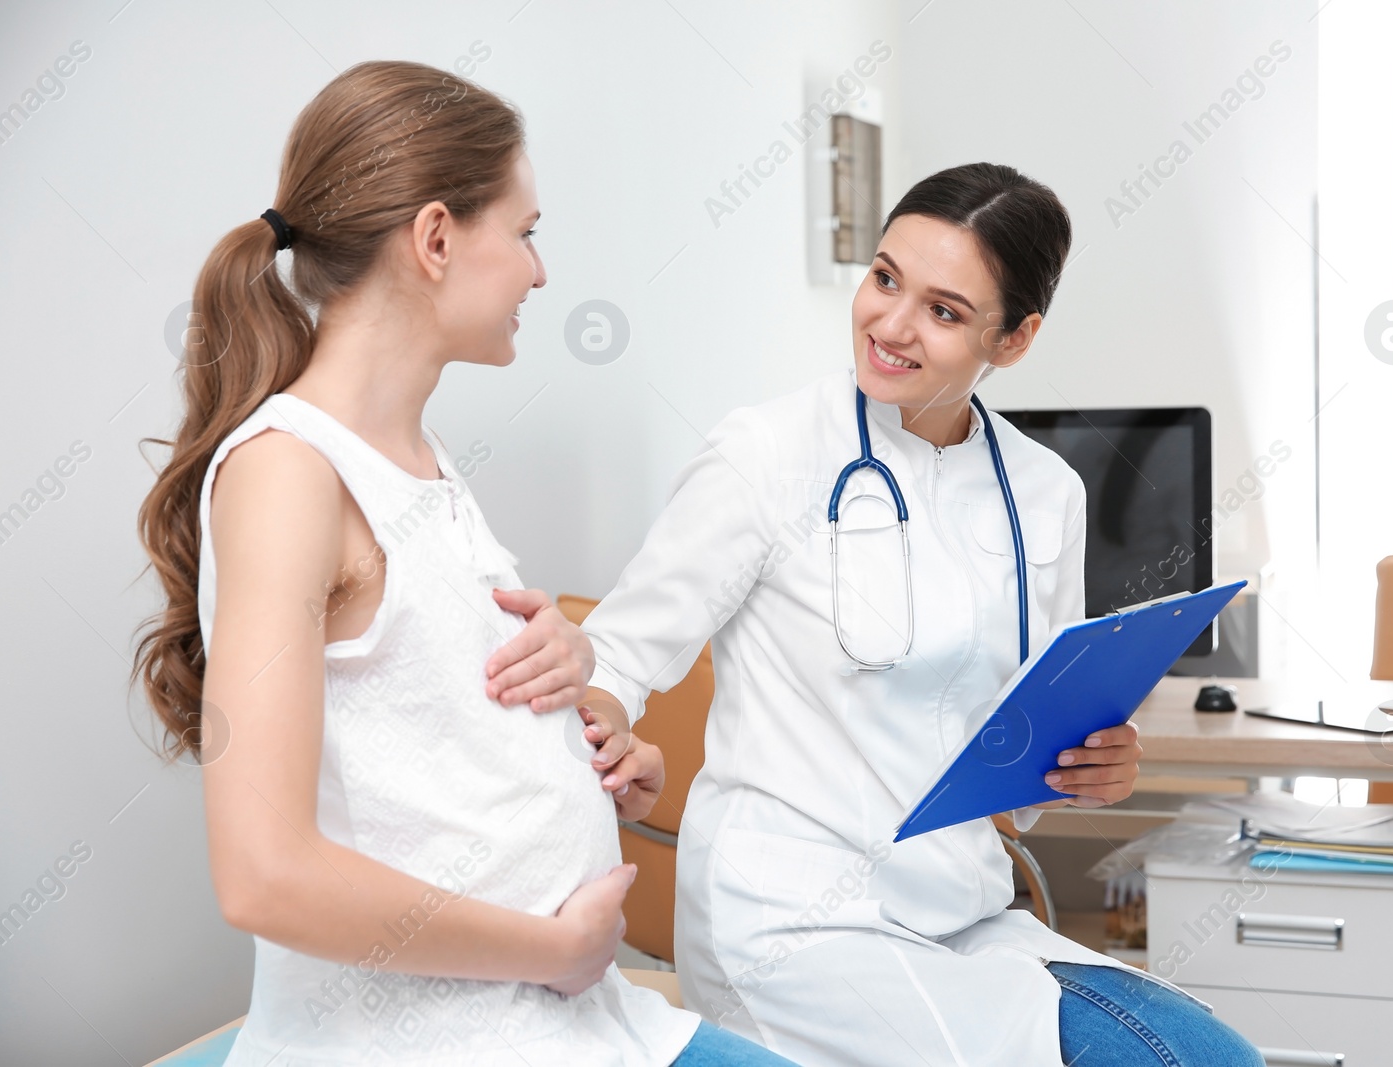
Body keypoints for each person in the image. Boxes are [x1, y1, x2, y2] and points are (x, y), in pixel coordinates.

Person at [486, 163, 1265, 1065]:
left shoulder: (1045, 491)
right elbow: (618, 655)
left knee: (1214, 1056)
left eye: (942, 310)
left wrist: (1090, 765)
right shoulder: (768, 453)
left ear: (1013, 339)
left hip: (966, 913)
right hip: (786, 926)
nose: (889, 324)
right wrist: (609, 719)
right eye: (885, 278)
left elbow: (1024, 754)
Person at [132, 59, 795, 1067]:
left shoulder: (419, 463)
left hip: (568, 1017)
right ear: (436, 238)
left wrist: (588, 747)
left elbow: (417, 726)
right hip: (439, 1033)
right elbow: (261, 874)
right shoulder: (288, 477)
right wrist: (555, 947)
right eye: (525, 233)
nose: (539, 270)